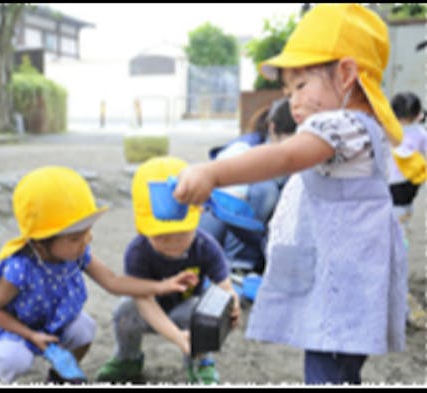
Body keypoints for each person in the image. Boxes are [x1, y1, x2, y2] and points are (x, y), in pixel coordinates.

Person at [172, 4, 407, 385]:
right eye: (287, 90)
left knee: (327, 373)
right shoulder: (366, 128)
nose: (292, 101)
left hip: (341, 287)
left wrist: (213, 172)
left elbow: (283, 157)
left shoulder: (341, 124)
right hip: (352, 281)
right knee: (337, 370)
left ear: (346, 74)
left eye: (300, 86)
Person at [0, 166, 198, 385]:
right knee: (15, 358)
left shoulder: (76, 254)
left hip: (50, 323)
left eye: (87, 233)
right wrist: (30, 335)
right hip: (13, 329)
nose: (87, 241)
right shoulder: (19, 267)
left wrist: (162, 286)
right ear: (40, 242)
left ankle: (58, 377)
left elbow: (113, 282)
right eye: (76, 238)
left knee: (84, 328)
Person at [95, 156, 240, 385]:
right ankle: (128, 358)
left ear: (198, 216)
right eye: (161, 236)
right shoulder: (138, 251)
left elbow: (224, 286)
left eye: (181, 233)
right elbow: (144, 301)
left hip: (186, 309)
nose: (172, 242)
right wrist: (176, 336)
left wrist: (231, 305)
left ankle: (200, 360)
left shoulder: (205, 246)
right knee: (124, 311)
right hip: (149, 310)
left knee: (203, 314)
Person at [199, 98, 297, 274]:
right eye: (288, 142)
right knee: (264, 190)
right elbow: (227, 206)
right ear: (273, 129)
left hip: (257, 239)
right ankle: (238, 268)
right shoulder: (242, 149)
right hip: (218, 231)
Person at [386, 91, 427, 241]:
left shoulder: (391, 131)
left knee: (397, 207)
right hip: (414, 179)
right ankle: (405, 220)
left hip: (396, 179)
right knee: (406, 202)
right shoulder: (421, 132)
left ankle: (400, 234)